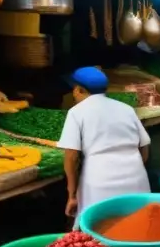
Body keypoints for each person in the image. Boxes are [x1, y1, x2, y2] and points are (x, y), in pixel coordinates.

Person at [59, 67, 150, 221]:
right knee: (138, 225)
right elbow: (144, 148)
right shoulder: (126, 109)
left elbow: (71, 157)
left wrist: (72, 195)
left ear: (78, 90)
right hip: (136, 179)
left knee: (102, 231)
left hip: (99, 182)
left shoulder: (76, 112)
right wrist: (132, 169)